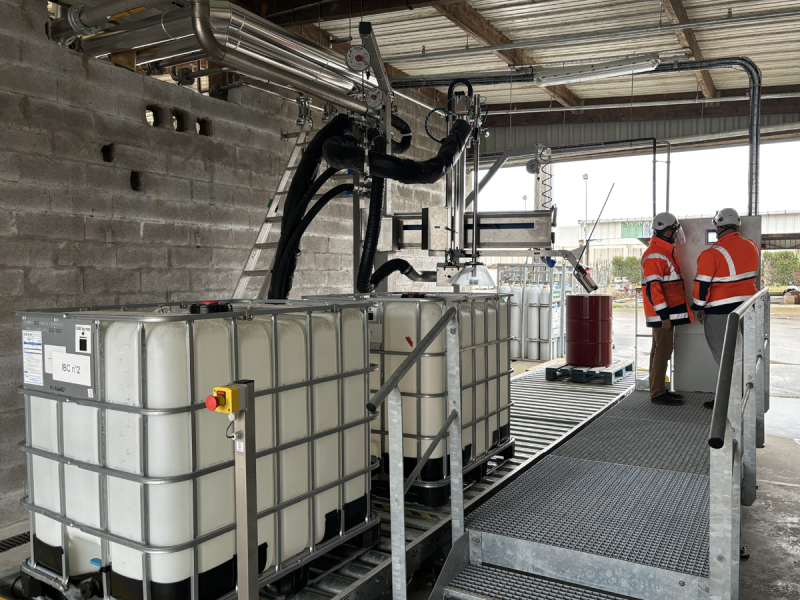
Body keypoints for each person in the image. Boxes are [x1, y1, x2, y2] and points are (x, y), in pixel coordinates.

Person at [692, 208, 760, 408]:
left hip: (721, 313)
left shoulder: (711, 254)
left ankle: (727, 402)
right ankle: (743, 397)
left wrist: (698, 307)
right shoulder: (752, 246)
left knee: (725, 359)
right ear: (737, 226)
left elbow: (701, 286)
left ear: (718, 227)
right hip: (749, 310)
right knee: (743, 356)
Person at [641, 212, 694, 405]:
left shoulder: (662, 251)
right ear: (669, 230)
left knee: (659, 350)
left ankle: (658, 389)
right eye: (675, 231)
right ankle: (657, 393)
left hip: (664, 312)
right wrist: (664, 315)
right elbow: (654, 289)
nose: (676, 235)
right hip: (662, 313)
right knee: (663, 350)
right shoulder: (656, 253)